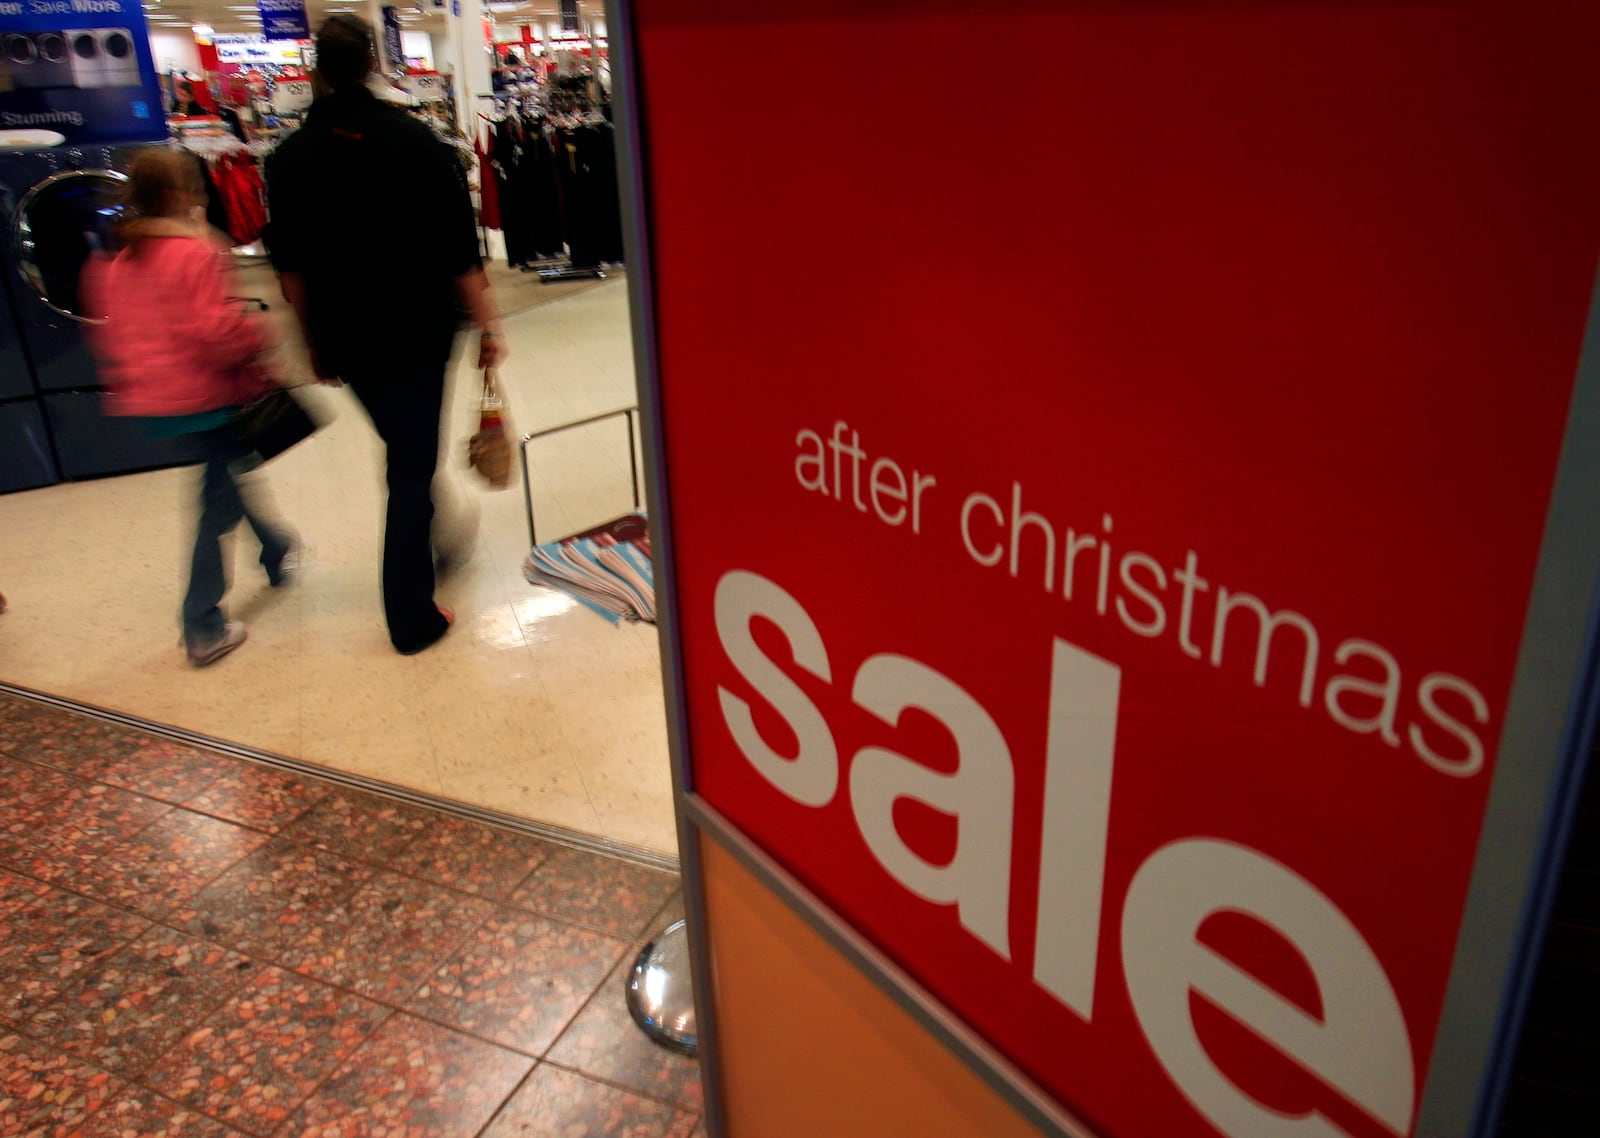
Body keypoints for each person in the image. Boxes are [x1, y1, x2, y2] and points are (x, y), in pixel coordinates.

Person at [264, 14, 507, 656]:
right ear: (374, 64)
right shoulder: (415, 144)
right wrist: (490, 328)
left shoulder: (289, 159)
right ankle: (411, 617)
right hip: (420, 331)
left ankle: (438, 541)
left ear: (317, 69)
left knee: (405, 447)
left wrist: (312, 341)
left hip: (345, 335)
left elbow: (289, 272)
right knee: (409, 464)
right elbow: (461, 254)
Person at [81, 151, 298, 667]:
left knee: (225, 472)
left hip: (155, 400)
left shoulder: (119, 259)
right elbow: (215, 334)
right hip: (205, 395)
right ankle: (202, 625)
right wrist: (261, 332)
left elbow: (112, 333)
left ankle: (275, 546)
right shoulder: (194, 252)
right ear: (184, 195)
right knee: (214, 503)